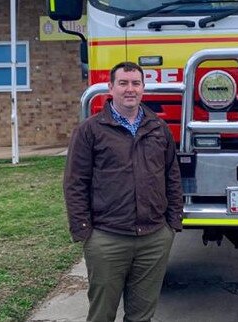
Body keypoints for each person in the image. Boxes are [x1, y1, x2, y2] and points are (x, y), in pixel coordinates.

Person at [63, 61, 183, 322]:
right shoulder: (90, 130)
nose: (130, 89)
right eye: (123, 83)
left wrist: (172, 224)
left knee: (141, 317)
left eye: (136, 83)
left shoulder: (158, 128)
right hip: (107, 238)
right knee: (101, 315)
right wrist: (84, 231)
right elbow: (75, 182)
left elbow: (172, 176)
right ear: (110, 88)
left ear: (143, 88)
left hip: (153, 239)